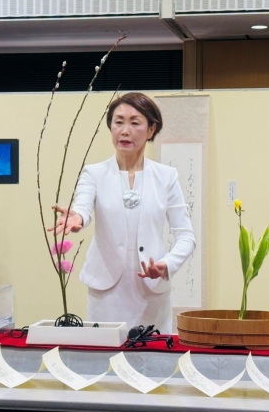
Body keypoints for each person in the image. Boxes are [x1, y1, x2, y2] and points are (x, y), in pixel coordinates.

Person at [50, 93, 195, 334]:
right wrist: (78, 217)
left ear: (151, 130)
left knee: (151, 353)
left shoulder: (166, 177)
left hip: (151, 290)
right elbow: (82, 206)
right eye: (118, 122)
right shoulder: (93, 174)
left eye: (135, 123)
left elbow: (186, 236)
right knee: (105, 352)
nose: (125, 131)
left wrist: (166, 264)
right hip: (106, 290)